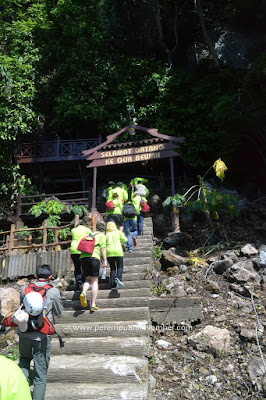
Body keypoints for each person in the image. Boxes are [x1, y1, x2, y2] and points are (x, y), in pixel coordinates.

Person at [18, 264, 63, 400]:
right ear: (49, 277)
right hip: (42, 335)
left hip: (24, 332)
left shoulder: (24, 289)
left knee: (24, 360)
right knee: (40, 373)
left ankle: (21, 391)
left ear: (36, 276)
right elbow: (59, 312)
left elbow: (23, 308)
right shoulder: (53, 291)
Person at [79, 214, 107, 311]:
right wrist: (105, 260)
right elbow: (103, 247)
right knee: (95, 281)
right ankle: (93, 304)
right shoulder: (101, 235)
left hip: (84, 258)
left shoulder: (87, 235)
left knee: (87, 279)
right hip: (94, 258)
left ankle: (84, 292)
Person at [70, 221, 91, 291]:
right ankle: (82, 281)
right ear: (85, 225)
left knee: (77, 267)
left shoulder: (73, 230)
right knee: (85, 267)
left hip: (74, 250)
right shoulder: (87, 230)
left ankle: (78, 283)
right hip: (83, 250)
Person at [106, 222, 127, 290]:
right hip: (118, 252)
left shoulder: (106, 234)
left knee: (112, 268)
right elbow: (125, 240)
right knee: (120, 266)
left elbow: (103, 244)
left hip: (109, 253)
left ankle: (113, 286)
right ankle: (119, 279)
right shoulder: (118, 232)